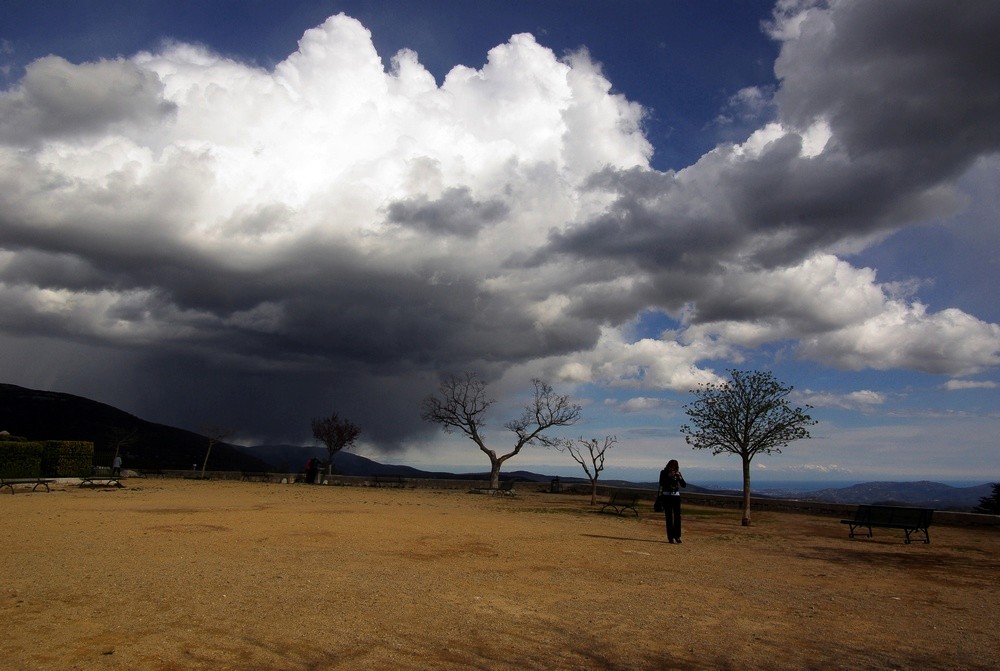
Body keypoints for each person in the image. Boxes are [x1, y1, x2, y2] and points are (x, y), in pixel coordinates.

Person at [659, 459, 686, 543]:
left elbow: (684, 485)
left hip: (676, 496)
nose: (673, 468)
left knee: (677, 516)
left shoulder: (678, 473)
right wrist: (669, 476)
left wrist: (680, 478)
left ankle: (677, 536)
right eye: (671, 466)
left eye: (674, 466)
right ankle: (670, 537)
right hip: (667, 496)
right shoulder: (663, 472)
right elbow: (662, 483)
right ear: (668, 465)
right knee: (669, 517)